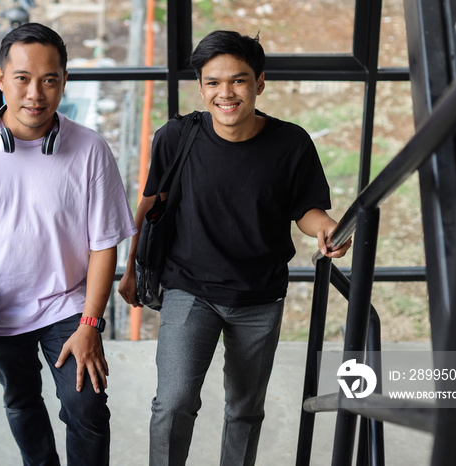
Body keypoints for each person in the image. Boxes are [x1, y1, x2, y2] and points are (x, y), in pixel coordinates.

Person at [118, 30, 352, 465]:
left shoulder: (291, 143)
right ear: (201, 86)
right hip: (190, 290)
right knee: (173, 402)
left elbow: (307, 210)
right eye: (213, 82)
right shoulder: (176, 137)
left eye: (239, 80)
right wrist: (130, 267)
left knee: (244, 409)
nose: (225, 93)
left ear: (259, 83)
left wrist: (327, 228)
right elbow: (150, 203)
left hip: (259, 296)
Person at [0, 23, 136, 466]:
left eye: (49, 79)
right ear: (1, 78)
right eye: (22, 78)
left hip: (67, 306)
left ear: (63, 81)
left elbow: (103, 247)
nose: (35, 93)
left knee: (88, 408)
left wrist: (90, 324)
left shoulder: (91, 149)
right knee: (21, 405)